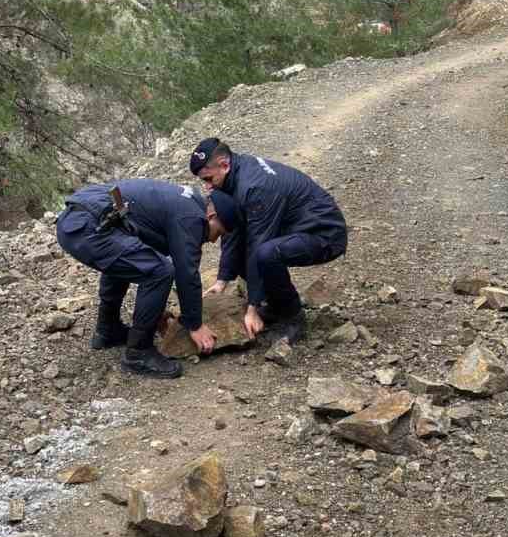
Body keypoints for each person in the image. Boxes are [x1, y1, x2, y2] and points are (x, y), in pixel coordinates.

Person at [56, 179, 232, 379]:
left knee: (131, 256)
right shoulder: (191, 217)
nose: (214, 240)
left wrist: (156, 311)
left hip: (82, 218)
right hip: (87, 226)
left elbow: (147, 251)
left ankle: (108, 330)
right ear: (211, 216)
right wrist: (195, 324)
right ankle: (139, 353)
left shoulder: (187, 203)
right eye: (219, 232)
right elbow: (186, 271)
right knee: (160, 272)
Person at [188, 139, 347, 345]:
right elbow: (233, 227)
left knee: (267, 254)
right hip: (294, 226)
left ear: (224, 165)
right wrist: (222, 279)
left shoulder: (255, 187)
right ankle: (276, 305)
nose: (207, 186)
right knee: (252, 253)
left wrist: (252, 307)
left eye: (209, 179)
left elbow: (257, 244)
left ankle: (293, 317)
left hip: (324, 233)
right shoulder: (233, 176)